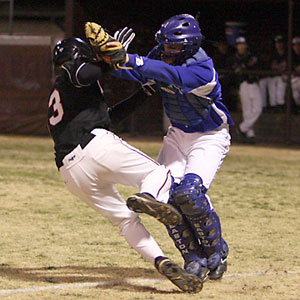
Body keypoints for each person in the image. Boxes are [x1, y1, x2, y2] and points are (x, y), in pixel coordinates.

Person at [47, 37, 203, 293]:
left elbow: (108, 118)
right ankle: (149, 196)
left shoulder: (65, 91)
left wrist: (143, 93)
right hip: (93, 147)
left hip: (70, 172)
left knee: (124, 221)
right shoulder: (72, 72)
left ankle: (160, 261)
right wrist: (112, 56)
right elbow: (84, 71)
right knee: (160, 173)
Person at [85, 14, 233, 281]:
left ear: (190, 45)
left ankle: (216, 251)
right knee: (167, 196)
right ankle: (193, 257)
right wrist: (109, 59)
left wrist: (130, 58)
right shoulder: (162, 54)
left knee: (189, 193)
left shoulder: (202, 68)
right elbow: (138, 72)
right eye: (165, 45)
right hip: (177, 134)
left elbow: (170, 74)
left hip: (209, 135)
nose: (167, 51)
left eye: (173, 47)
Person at [230, 36, 263, 143]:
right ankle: (250, 135)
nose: (241, 46)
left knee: (258, 109)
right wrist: (244, 66)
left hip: (254, 83)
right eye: (239, 44)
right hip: (243, 84)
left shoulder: (251, 56)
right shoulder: (234, 58)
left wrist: (245, 66)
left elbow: (256, 65)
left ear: (246, 45)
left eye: (242, 44)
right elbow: (237, 70)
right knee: (247, 111)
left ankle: (242, 128)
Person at [267, 35, 287, 110]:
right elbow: (269, 68)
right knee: (271, 82)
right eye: (277, 43)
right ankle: (273, 106)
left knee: (281, 81)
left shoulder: (287, 53)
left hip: (285, 75)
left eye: (280, 42)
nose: (279, 44)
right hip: (275, 75)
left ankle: (280, 104)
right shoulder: (273, 54)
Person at [291, 36, 300, 109]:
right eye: (295, 45)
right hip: (294, 79)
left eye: (298, 45)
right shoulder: (291, 56)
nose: (297, 47)